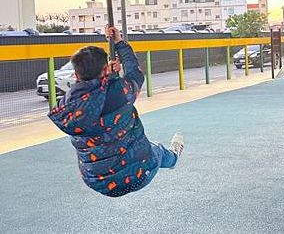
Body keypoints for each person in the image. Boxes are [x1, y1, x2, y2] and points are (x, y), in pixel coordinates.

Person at [48, 25, 184, 197]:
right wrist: (119, 43)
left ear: (76, 75)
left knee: (111, 145)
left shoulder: (67, 105)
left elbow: (92, 97)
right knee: (156, 149)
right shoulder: (119, 92)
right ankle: (173, 158)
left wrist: (107, 78)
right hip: (139, 175)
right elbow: (135, 74)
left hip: (97, 181)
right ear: (105, 70)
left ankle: (168, 157)